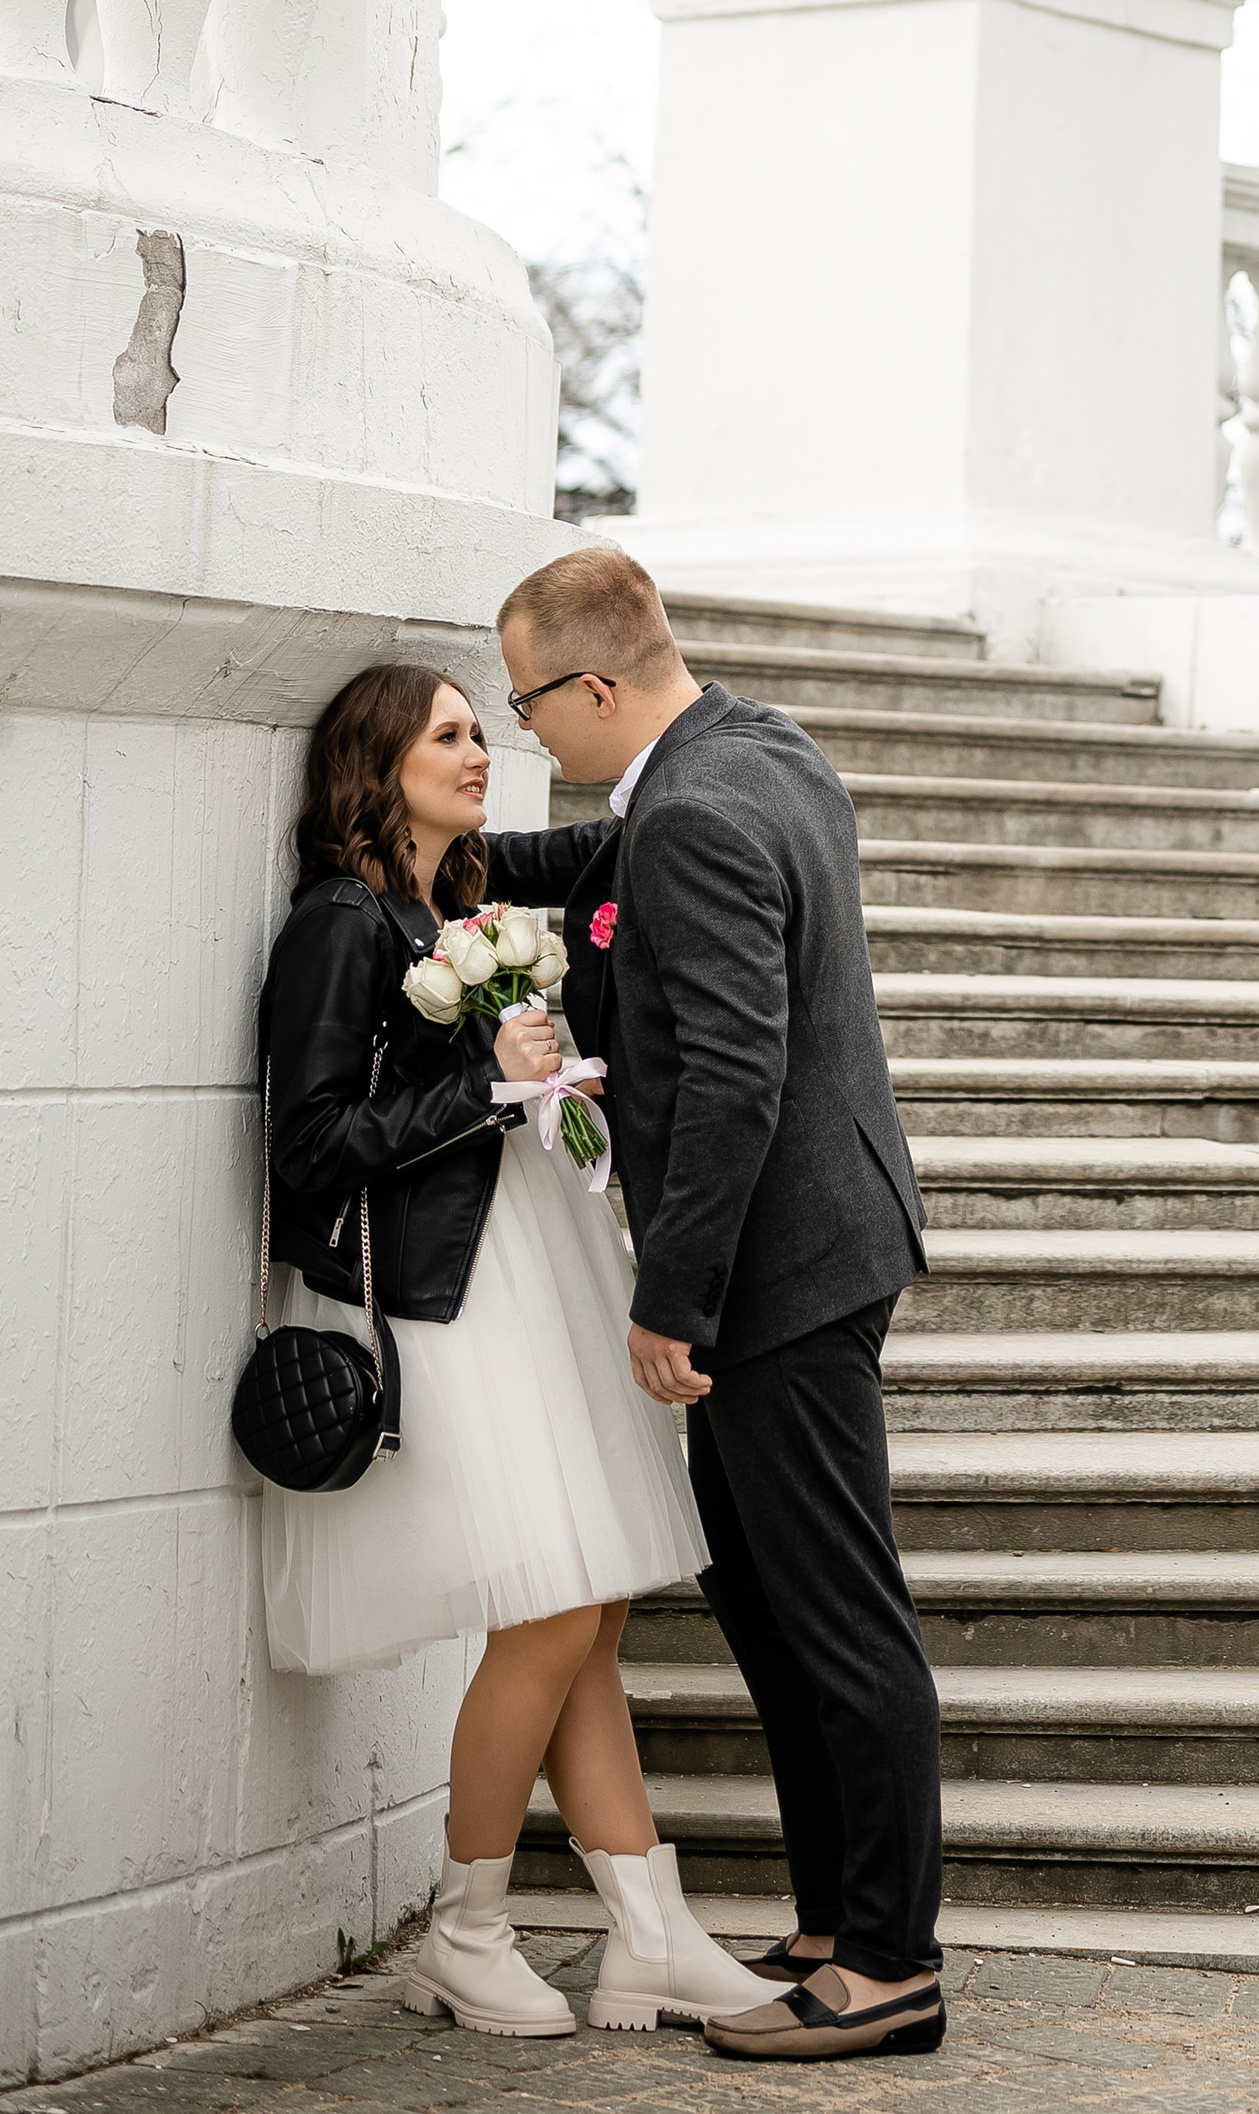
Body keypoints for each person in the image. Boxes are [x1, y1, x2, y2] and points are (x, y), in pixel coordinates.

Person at [256, 661, 777, 2041]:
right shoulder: (340, 922)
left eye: (485, 726)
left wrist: (543, 1076)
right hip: (445, 1307)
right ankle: (467, 1929)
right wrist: (485, 1087)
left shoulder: (460, 905)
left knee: (589, 1603)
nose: (481, 749)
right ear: (378, 763)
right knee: (552, 1610)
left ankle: (650, 1936)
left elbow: (610, 855)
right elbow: (305, 1146)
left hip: (520, 1269)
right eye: (449, 733)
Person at [496, 545, 944, 2067]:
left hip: (777, 1272)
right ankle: (831, 1922)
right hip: (831, 1238)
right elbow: (607, 873)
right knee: (764, 1602)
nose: (526, 737)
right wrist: (443, 864)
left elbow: (739, 1076)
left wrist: (668, 1301)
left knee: (836, 1618)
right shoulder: (756, 746)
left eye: (529, 706)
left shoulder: (688, 812)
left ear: (599, 685)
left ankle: (891, 1961)